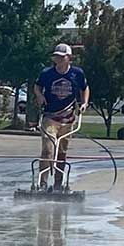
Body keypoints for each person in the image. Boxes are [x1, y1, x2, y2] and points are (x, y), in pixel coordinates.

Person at [34, 44, 89, 188]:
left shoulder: (77, 73)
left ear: (69, 58)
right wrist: (39, 96)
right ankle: (43, 182)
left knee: (62, 152)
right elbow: (37, 86)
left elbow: (85, 88)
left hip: (68, 118)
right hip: (50, 117)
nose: (57, 59)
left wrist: (84, 103)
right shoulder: (47, 73)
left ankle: (58, 183)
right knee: (48, 149)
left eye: (61, 56)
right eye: (56, 56)